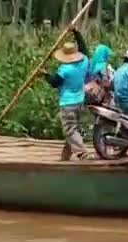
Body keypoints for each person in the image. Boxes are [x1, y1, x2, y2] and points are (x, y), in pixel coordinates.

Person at [46, 28, 91, 160]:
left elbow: (55, 82)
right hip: (79, 101)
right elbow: (84, 48)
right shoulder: (84, 62)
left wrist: (45, 75)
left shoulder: (64, 69)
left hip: (68, 102)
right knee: (72, 128)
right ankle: (65, 156)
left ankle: (81, 152)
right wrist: (77, 33)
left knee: (70, 129)